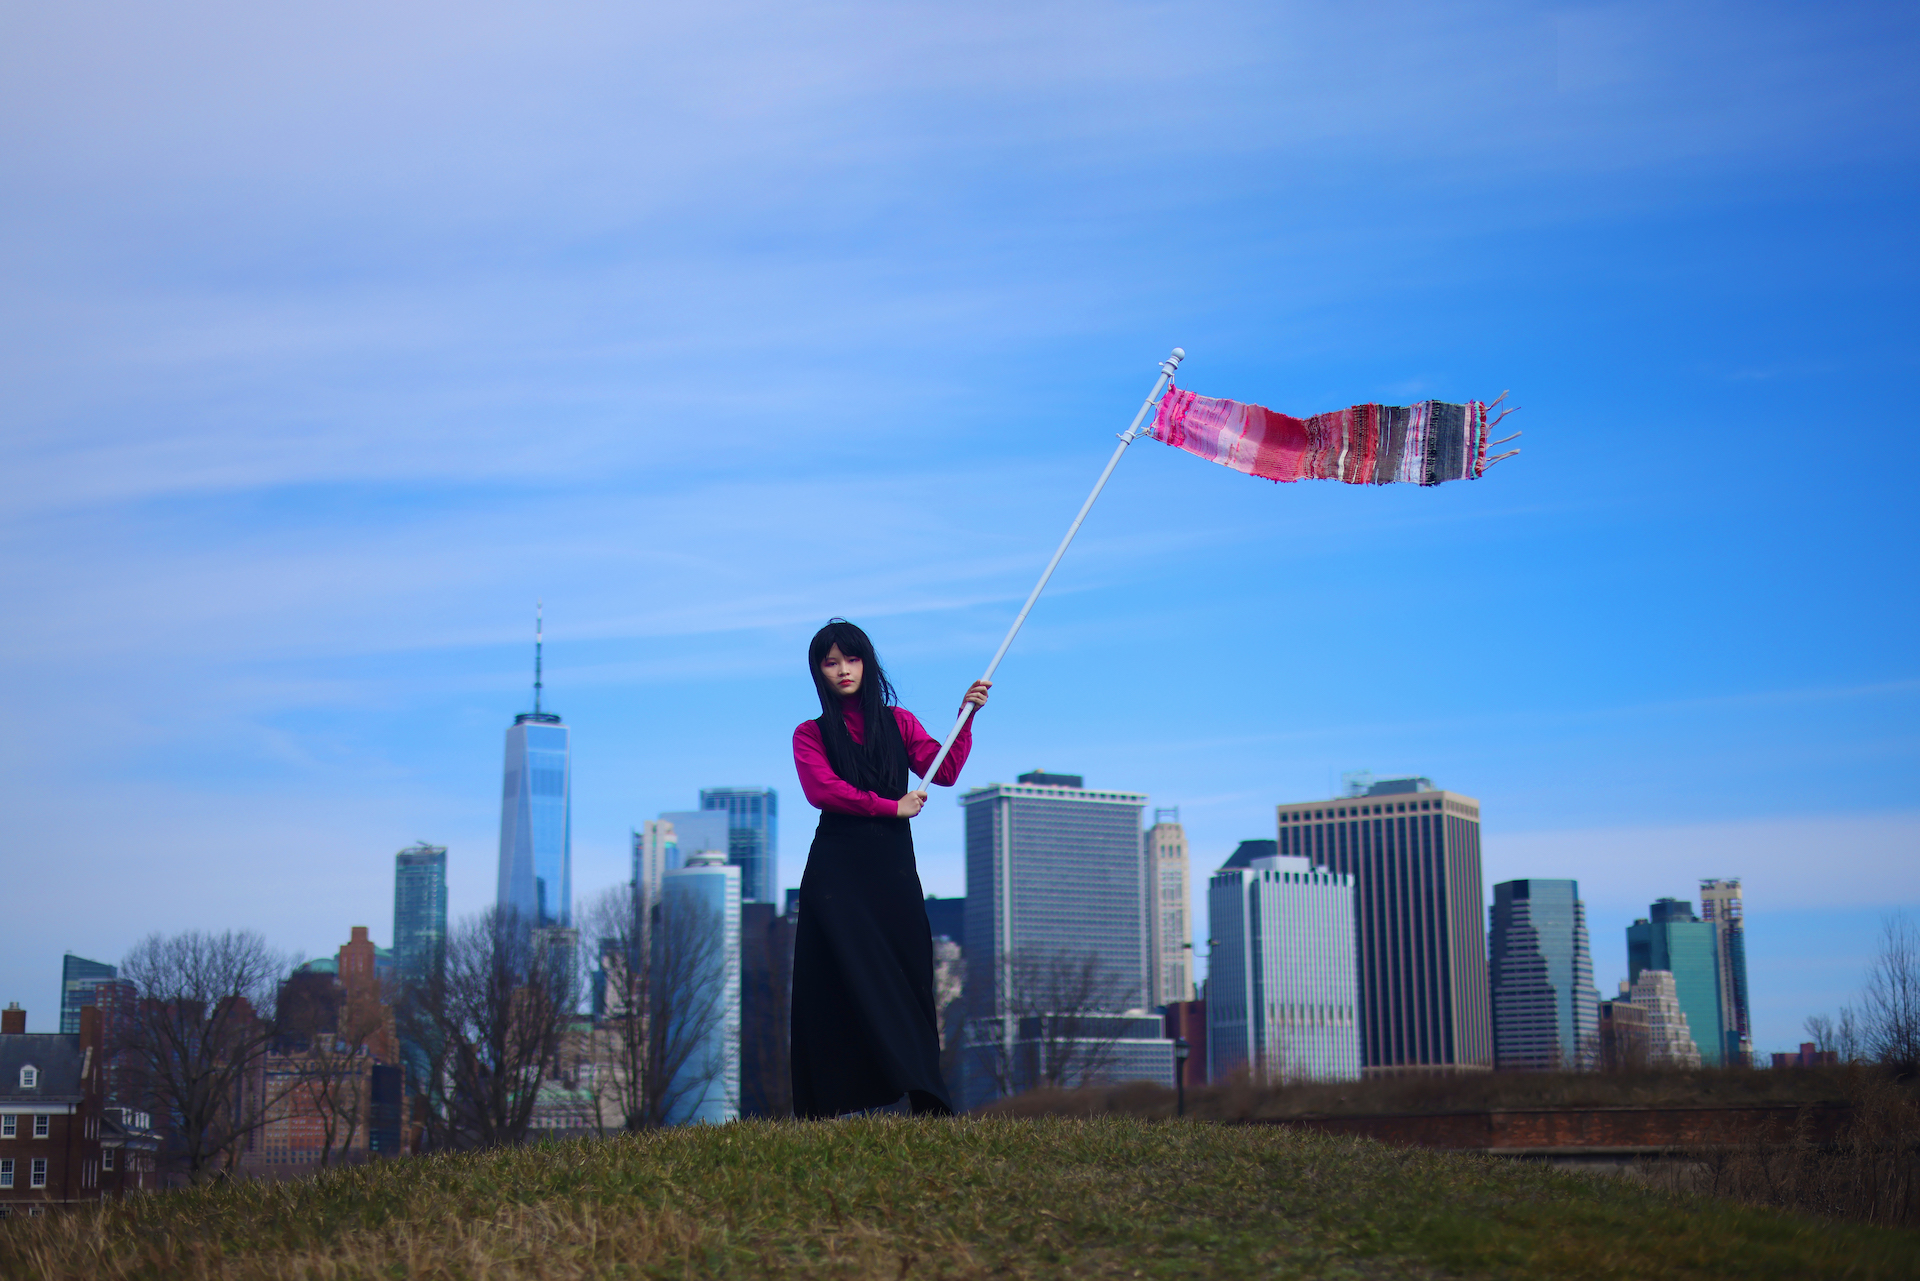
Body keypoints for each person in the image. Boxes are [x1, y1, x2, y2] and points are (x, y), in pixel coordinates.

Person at [789, 618, 990, 1118]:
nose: (842, 671)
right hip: (835, 871)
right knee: (830, 980)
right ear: (818, 672)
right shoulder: (809, 733)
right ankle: (823, 1107)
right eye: (830, 662)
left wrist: (965, 717)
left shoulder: (898, 723)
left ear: (867, 663)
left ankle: (927, 1098)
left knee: (910, 974)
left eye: (851, 659)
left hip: (892, 868)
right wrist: (889, 806)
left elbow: (941, 771)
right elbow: (822, 790)